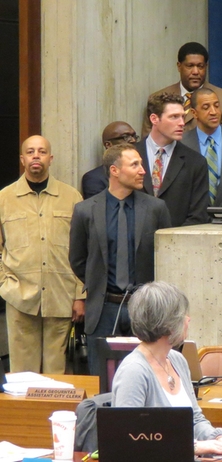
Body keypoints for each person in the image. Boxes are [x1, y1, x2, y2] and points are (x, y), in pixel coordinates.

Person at [69, 144, 171, 373]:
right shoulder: (85, 210)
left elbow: (166, 259)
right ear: (114, 170)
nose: (143, 170)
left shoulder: (156, 208)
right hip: (104, 308)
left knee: (148, 377)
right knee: (103, 382)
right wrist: (98, 282)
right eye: (134, 165)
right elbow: (77, 259)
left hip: (144, 308)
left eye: (141, 164)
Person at [111, 282, 222, 458]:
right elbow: (130, 439)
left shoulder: (177, 360)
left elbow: (194, 419)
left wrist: (218, 438)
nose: (188, 320)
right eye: (183, 315)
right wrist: (194, 447)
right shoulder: (133, 371)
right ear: (168, 324)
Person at [0, 136, 83, 373]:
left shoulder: (72, 198)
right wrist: (4, 283)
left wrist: (79, 294)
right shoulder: (4, 199)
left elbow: (81, 249)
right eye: (30, 152)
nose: (36, 156)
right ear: (22, 159)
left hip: (61, 296)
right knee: (23, 375)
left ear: (51, 158)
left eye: (42, 151)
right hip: (20, 297)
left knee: (56, 374)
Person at [137, 93, 209, 226]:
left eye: (182, 116)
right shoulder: (130, 155)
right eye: (174, 117)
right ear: (154, 119)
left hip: (177, 241)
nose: (182, 123)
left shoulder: (195, 162)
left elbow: (199, 214)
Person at [141, 42, 222, 137]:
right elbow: (149, 141)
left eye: (200, 66)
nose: (196, 72)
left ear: (206, 67)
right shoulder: (158, 99)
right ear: (179, 66)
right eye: (190, 66)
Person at [82, 122, 139, 199]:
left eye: (134, 136)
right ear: (108, 145)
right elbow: (98, 208)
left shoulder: (141, 172)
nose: (133, 140)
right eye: (126, 137)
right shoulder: (95, 179)